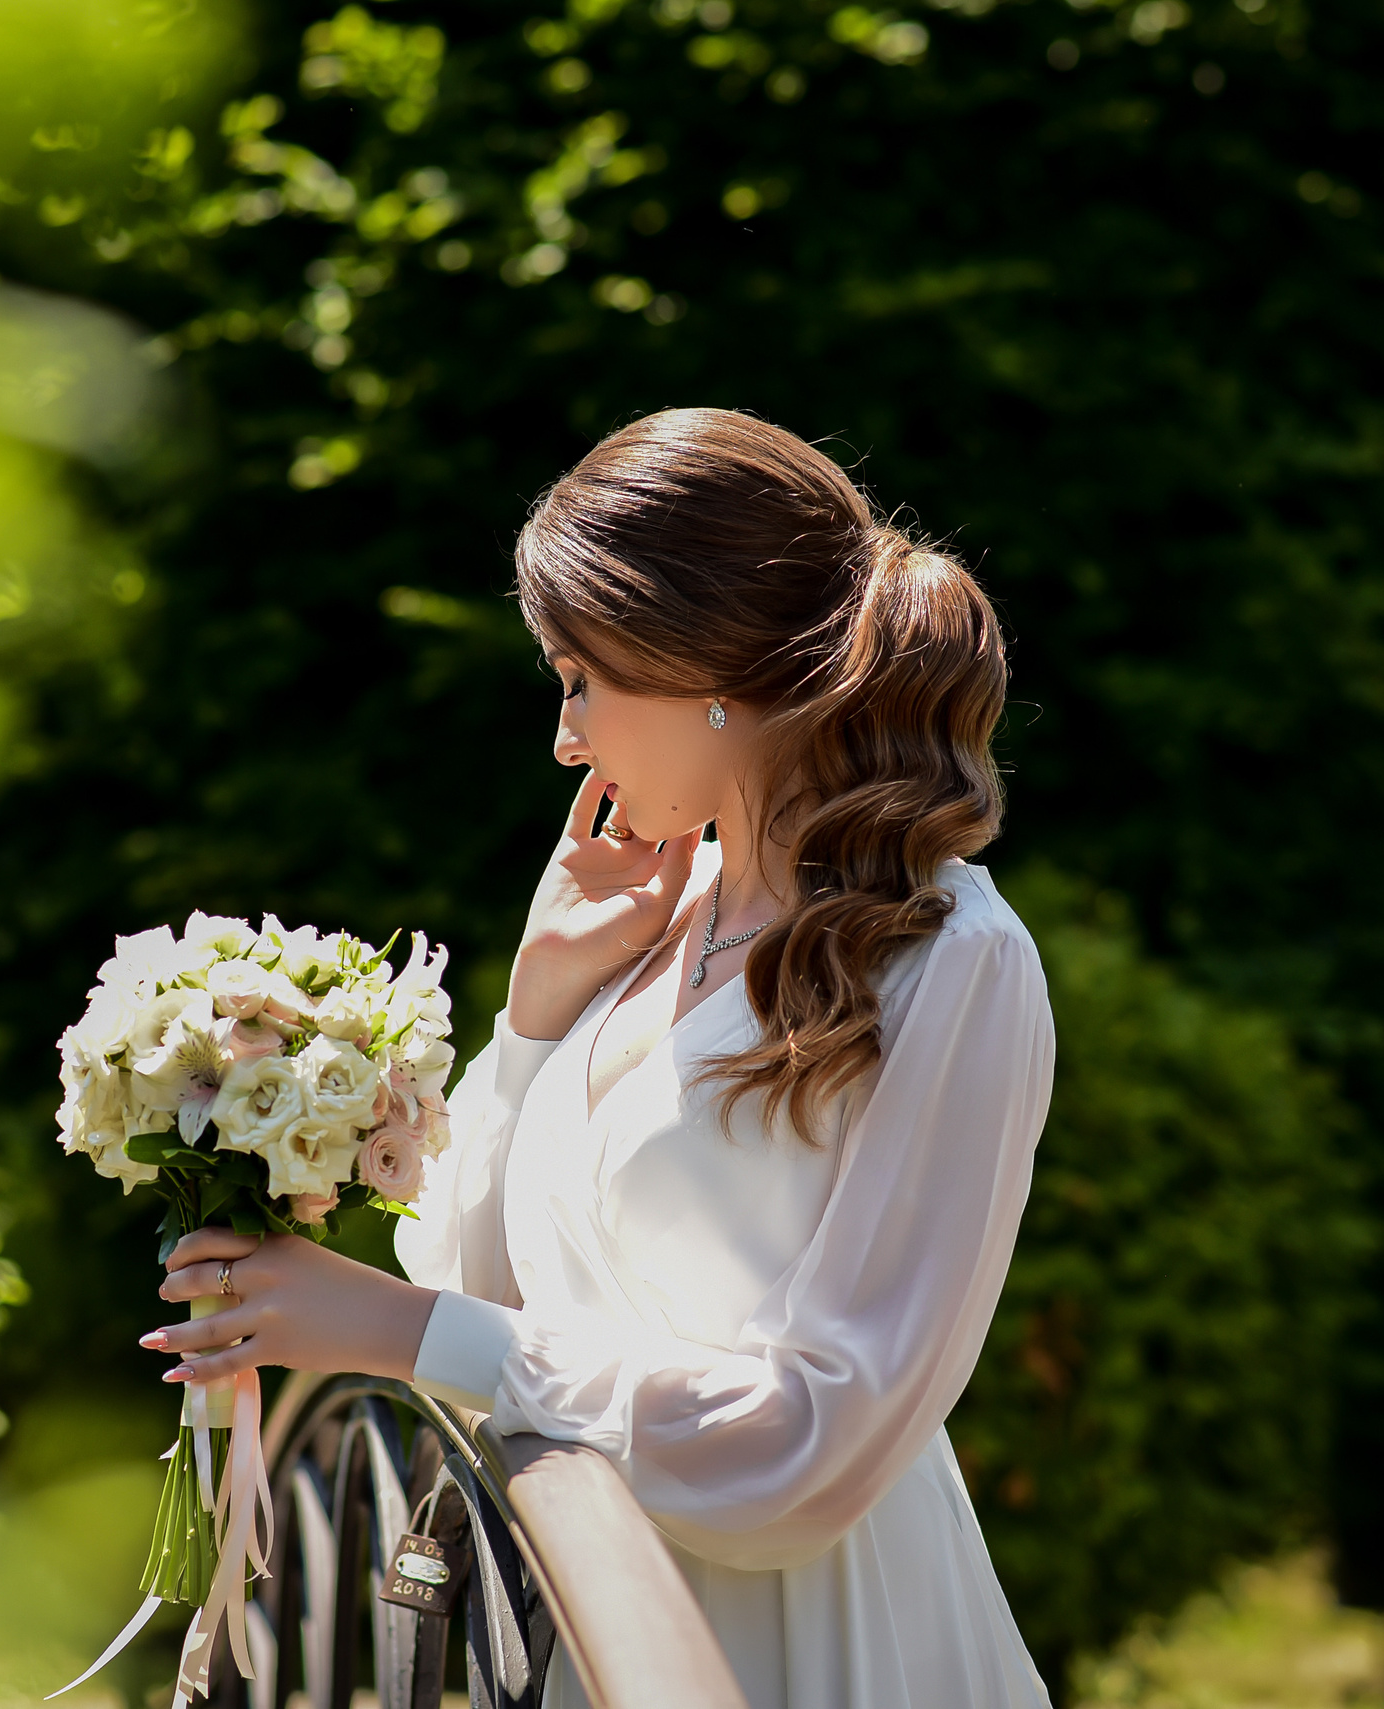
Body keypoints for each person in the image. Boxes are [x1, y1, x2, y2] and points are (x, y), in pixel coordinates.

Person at [146, 408, 1058, 1708]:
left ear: (711, 672)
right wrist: (534, 1006)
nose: (567, 736)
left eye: (583, 678)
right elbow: (464, 1268)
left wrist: (407, 1335)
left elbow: (822, 1437)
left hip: (816, 1647)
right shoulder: (648, 916)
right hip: (578, 1619)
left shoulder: (953, 952)